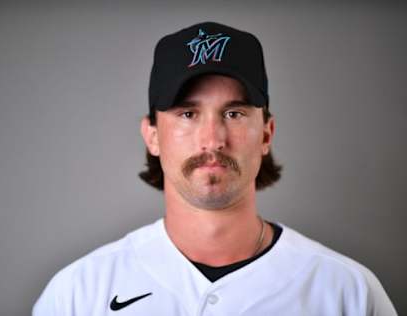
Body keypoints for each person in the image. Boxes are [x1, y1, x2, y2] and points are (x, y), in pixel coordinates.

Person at [33, 21, 397, 315]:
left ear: (266, 134)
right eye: (188, 114)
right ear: (153, 135)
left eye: (234, 113)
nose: (213, 139)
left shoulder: (347, 292)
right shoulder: (78, 294)